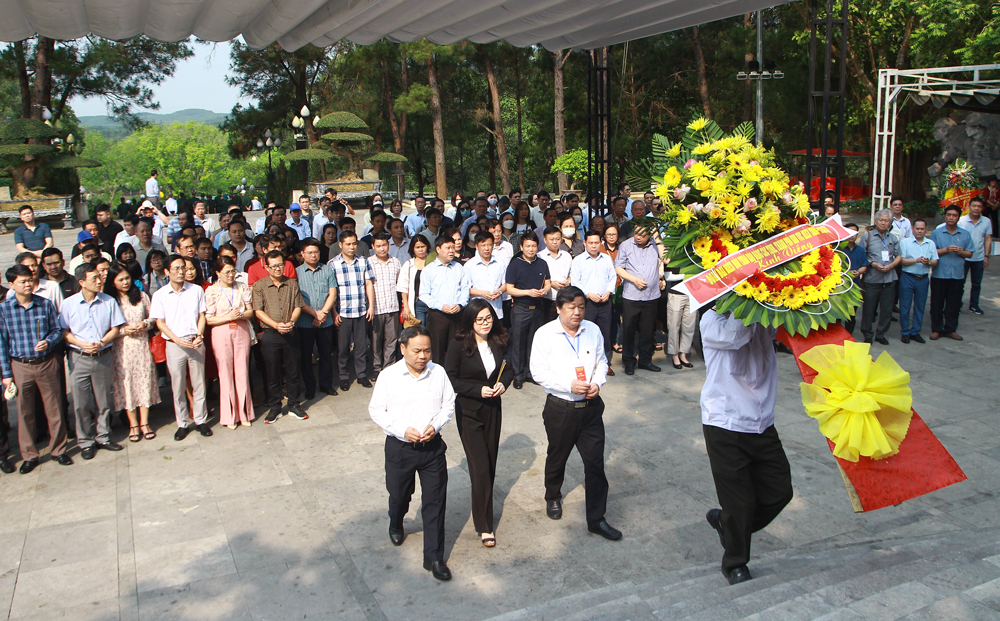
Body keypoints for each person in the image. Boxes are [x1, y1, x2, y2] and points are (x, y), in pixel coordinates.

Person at [700, 307, 793, 585]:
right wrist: (749, 300)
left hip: (763, 421)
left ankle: (727, 525)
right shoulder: (712, 319)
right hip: (725, 422)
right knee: (739, 502)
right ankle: (735, 562)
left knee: (780, 490)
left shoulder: (765, 314)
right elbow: (737, 336)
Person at [529, 286, 620, 540]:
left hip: (590, 409)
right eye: (571, 307)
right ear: (558, 309)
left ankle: (597, 518)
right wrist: (568, 385)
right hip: (561, 408)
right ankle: (553, 496)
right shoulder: (545, 334)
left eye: (581, 306)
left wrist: (597, 383)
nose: (577, 312)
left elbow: (602, 361)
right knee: (557, 456)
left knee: (595, 465)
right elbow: (537, 372)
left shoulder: (592, 330)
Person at [368, 324, 455, 581]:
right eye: (417, 351)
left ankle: (434, 557)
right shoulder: (388, 376)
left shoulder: (438, 372)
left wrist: (436, 425)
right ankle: (396, 520)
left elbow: (449, 403)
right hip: (400, 448)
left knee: (435, 502)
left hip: (432, 449)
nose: (423, 356)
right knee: (399, 495)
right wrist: (400, 430)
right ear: (402, 348)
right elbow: (376, 410)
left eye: (427, 351)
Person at [444, 300, 513, 548]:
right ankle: (484, 525)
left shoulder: (498, 339)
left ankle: (482, 508)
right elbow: (450, 378)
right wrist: (477, 390)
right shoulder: (458, 345)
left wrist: (503, 383)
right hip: (470, 410)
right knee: (480, 466)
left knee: (490, 464)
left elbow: (509, 367)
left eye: (489, 319)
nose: (485, 324)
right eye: (480, 320)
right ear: (470, 321)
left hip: (493, 409)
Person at [0, 264, 70, 473]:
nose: (28, 284)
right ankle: (30, 455)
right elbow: (2, 343)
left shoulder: (44, 304)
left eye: (30, 279)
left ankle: (59, 449)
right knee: (24, 413)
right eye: (22, 281)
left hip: (46, 363)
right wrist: (6, 375)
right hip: (20, 365)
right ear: (11, 285)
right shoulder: (4, 310)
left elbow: (57, 330)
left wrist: (48, 342)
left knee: (55, 408)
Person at [60, 261, 125, 460]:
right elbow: (64, 331)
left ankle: (103, 436)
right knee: (81, 402)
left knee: (104, 399)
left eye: (100, 277)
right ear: (81, 282)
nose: (100, 280)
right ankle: (85, 440)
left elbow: (115, 328)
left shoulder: (108, 301)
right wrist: (80, 343)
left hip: (102, 356)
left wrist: (102, 342)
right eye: (94, 278)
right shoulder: (68, 303)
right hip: (79, 357)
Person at [150, 254, 213, 440]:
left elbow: (202, 316)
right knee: (177, 386)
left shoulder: (196, 290)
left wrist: (200, 336)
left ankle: (201, 420)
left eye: (182, 268)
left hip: (195, 341)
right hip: (174, 344)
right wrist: (176, 340)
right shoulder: (160, 295)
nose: (180, 272)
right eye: (176, 268)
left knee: (199, 382)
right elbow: (160, 323)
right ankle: (182, 423)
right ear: (166, 271)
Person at [104, 262, 160, 442]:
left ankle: (145, 422)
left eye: (127, 278)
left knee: (144, 382)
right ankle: (133, 424)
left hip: (142, 347)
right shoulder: (109, 301)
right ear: (113, 282)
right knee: (126, 385)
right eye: (120, 279)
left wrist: (145, 324)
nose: (125, 282)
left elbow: (153, 317)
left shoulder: (141, 296)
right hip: (122, 350)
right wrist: (123, 331)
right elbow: (105, 328)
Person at [252, 250, 308, 423]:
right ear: (267, 267)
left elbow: (298, 306)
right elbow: (258, 311)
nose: (278, 269)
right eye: (274, 266)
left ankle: (294, 404)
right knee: (272, 372)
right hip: (270, 334)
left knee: (292, 371)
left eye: (281, 265)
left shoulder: (291, 284)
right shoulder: (260, 286)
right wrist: (275, 325)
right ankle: (275, 406)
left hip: (290, 331)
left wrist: (291, 322)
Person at [206, 257, 256, 428]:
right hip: (221, 331)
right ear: (218, 273)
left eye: (233, 271)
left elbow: (250, 311)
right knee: (225, 373)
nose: (230, 275)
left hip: (241, 329)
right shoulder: (212, 290)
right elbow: (209, 319)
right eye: (226, 272)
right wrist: (228, 317)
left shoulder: (241, 287)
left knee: (242, 371)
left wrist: (241, 315)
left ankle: (244, 413)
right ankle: (229, 416)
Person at [330, 230, 375, 391]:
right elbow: (332, 291)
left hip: (361, 310)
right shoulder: (333, 264)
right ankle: (343, 376)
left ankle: (361, 375)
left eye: (354, 243)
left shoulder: (363, 261)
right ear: (340, 245)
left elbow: (369, 284)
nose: (351, 247)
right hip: (343, 313)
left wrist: (371, 306)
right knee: (342, 348)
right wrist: (334, 313)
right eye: (348, 244)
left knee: (361, 346)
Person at [615, 225, 664, 373]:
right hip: (632, 295)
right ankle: (629, 362)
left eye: (642, 234)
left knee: (647, 331)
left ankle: (645, 360)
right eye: (636, 233)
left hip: (651, 296)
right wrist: (633, 279)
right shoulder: (626, 245)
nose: (638, 236)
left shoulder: (656, 246)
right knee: (629, 330)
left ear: (650, 234)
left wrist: (657, 239)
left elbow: (666, 259)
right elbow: (618, 267)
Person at [505, 231, 550, 389]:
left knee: (534, 342)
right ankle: (518, 374)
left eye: (534, 246)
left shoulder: (542, 263)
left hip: (538, 308)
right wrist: (527, 292)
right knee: (518, 342)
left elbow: (548, 282)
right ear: (522, 247)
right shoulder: (515, 264)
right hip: (520, 309)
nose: (531, 249)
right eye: (528, 246)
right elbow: (510, 289)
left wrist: (545, 290)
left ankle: (531, 372)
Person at [296, 239, 338, 399]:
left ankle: (326, 385)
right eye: (310, 252)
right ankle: (309, 387)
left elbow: (332, 294)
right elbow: (297, 298)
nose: (314, 255)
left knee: (326, 354)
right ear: (302, 254)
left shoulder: (327, 270)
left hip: (325, 322)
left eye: (316, 252)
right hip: (305, 322)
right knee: (306, 357)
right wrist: (314, 314)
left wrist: (322, 314)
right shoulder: (297, 272)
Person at [419, 232, 471, 363]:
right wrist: (441, 306)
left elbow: (465, 289)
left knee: (456, 349)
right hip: (438, 315)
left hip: (457, 314)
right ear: (438, 249)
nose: (451, 251)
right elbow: (424, 294)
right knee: (437, 350)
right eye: (448, 248)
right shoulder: (429, 270)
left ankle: (453, 378)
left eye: (453, 247)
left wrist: (460, 305)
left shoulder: (459, 267)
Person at [571, 230, 617, 374]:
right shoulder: (578, 260)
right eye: (590, 243)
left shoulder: (606, 258)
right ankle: (586, 364)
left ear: (601, 243)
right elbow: (575, 281)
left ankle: (605, 363)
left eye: (596, 243)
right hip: (587, 303)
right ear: (585, 243)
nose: (593, 246)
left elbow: (612, 277)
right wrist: (588, 294)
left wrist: (608, 291)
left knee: (605, 333)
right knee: (586, 333)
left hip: (605, 302)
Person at [929, 205, 974, 340]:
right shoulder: (937, 232)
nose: (951, 217)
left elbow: (970, 253)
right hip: (940, 274)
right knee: (937, 303)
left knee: (954, 304)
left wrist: (960, 252)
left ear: (958, 217)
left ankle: (950, 329)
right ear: (945, 216)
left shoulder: (965, 233)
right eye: (949, 215)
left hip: (957, 274)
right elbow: (931, 252)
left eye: (954, 215)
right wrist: (946, 250)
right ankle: (936, 329)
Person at [857, 209, 901, 345]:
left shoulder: (893, 238)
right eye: (880, 220)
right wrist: (873, 264)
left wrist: (892, 265)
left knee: (887, 309)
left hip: (889, 278)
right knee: (869, 309)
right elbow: (862, 255)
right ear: (875, 221)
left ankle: (881, 333)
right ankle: (867, 333)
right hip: (872, 279)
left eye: (886, 220)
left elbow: (899, 255)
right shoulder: (868, 236)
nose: (883, 223)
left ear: (890, 222)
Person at [898, 219, 938, 344]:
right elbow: (901, 261)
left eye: (922, 229)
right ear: (913, 229)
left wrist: (928, 262)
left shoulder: (930, 243)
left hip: (923, 278)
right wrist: (916, 260)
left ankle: (915, 331)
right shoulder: (905, 242)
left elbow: (935, 261)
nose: (920, 231)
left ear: (926, 230)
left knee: (920, 306)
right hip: (908, 277)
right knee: (905, 306)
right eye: (917, 228)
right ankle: (905, 331)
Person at [368, 233, 402, 380]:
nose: (382, 249)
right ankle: (376, 368)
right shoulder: (368, 263)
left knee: (392, 339)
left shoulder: (396, 262)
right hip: (376, 308)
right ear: (373, 247)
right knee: (376, 341)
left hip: (392, 307)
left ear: (388, 245)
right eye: (378, 246)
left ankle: (388, 368)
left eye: (384, 245)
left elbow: (399, 284)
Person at [957, 197, 992, 315]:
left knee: (976, 283)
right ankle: (957, 303)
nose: (976, 208)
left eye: (979, 206)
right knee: (960, 282)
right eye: (974, 206)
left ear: (982, 208)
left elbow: (987, 238)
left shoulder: (986, 221)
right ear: (969, 206)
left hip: (979, 257)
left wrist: (986, 255)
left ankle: (974, 304)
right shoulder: (961, 221)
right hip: (963, 257)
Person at [465, 230, 507, 322]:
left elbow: (506, 284)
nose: (487, 248)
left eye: (489, 245)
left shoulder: (500, 263)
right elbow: (466, 288)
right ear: (476, 246)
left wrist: (499, 291)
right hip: (477, 312)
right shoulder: (469, 265)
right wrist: (482, 293)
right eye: (483, 245)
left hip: (497, 310)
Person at [840, 223, 868, 335]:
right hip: (840, 286)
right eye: (849, 231)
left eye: (855, 232)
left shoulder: (860, 250)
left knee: (851, 315)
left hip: (855, 286)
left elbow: (865, 265)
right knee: (838, 314)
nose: (852, 235)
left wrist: (859, 272)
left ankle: (848, 336)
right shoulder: (839, 249)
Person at [398, 235, 431, 326]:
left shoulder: (433, 263)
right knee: (419, 331)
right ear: (413, 248)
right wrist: (406, 307)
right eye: (417, 247)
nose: (420, 250)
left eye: (423, 246)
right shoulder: (408, 265)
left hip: (431, 303)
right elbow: (403, 288)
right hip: (417, 303)